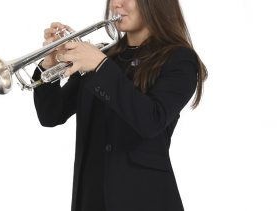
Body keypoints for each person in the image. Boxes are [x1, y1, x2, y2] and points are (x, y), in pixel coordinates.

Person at [32, 0, 208, 210]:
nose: (117, 4)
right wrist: (47, 65)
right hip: (90, 198)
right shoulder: (103, 56)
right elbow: (51, 115)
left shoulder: (179, 59)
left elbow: (151, 120)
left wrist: (100, 65)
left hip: (144, 199)